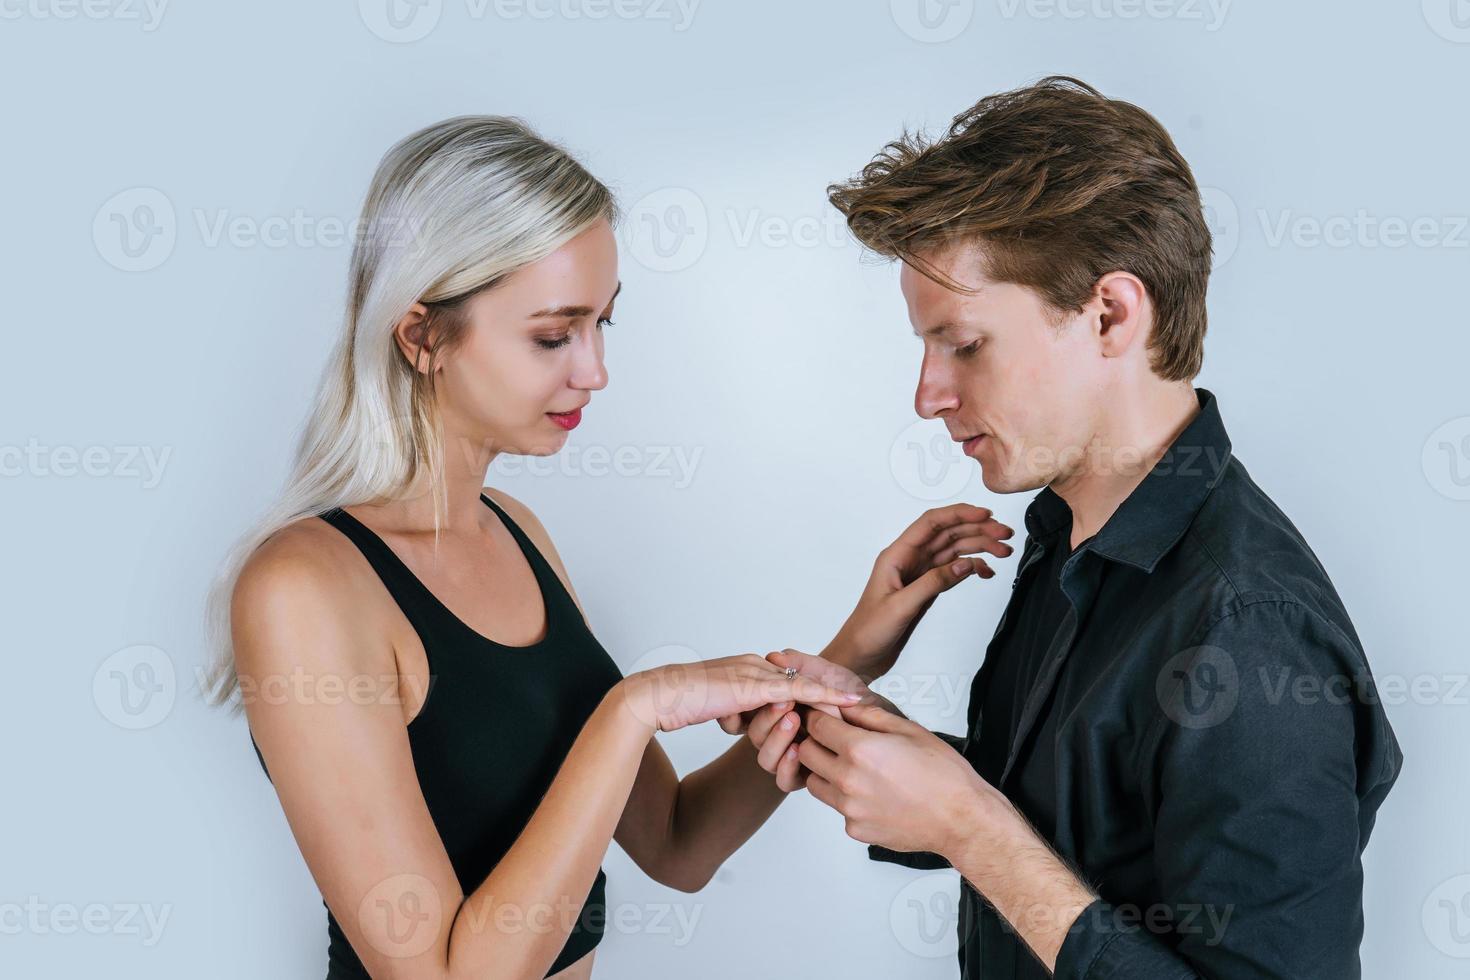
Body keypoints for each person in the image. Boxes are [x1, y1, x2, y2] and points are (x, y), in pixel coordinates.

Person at [199, 116, 1002, 980]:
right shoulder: (304, 588)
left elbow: (677, 843)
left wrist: (850, 656)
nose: (594, 372)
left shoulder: (514, 531)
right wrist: (636, 707)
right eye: (553, 335)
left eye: (602, 325)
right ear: (421, 334)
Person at [738, 76, 1404, 979]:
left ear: (1110, 315)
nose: (928, 395)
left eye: (965, 344)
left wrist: (968, 830)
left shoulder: (1249, 628)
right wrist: (878, 744)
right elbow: (1098, 821)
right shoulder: (1066, 537)